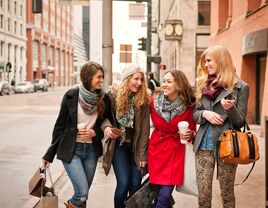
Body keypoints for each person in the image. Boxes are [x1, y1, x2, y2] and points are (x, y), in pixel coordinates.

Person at [42, 61, 113, 208]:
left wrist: (95, 132)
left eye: (102, 77)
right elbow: (60, 126)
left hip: (91, 151)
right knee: (81, 192)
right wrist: (49, 154)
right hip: (71, 150)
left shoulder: (105, 99)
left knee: (83, 196)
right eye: (98, 77)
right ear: (88, 78)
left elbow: (108, 123)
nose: (101, 80)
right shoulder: (71, 95)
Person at [193, 45, 249, 208]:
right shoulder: (202, 84)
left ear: (221, 60)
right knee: (203, 196)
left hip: (227, 147)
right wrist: (204, 114)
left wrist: (230, 109)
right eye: (205, 61)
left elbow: (241, 122)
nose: (206, 65)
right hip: (203, 146)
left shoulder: (240, 87)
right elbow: (194, 113)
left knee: (227, 195)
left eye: (209, 60)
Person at [103, 64, 150, 208]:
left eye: (141, 80)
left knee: (135, 184)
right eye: (136, 79)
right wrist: (107, 128)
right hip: (119, 146)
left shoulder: (143, 100)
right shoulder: (112, 96)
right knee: (123, 184)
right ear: (127, 78)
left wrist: (143, 155)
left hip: (136, 148)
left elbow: (144, 131)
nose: (139, 83)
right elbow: (104, 118)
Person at [148, 70, 196, 208]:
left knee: (164, 196)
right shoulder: (153, 102)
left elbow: (192, 130)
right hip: (157, 150)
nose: (164, 84)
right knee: (158, 195)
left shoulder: (189, 105)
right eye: (164, 81)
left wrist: (189, 134)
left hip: (176, 151)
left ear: (179, 85)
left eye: (169, 82)